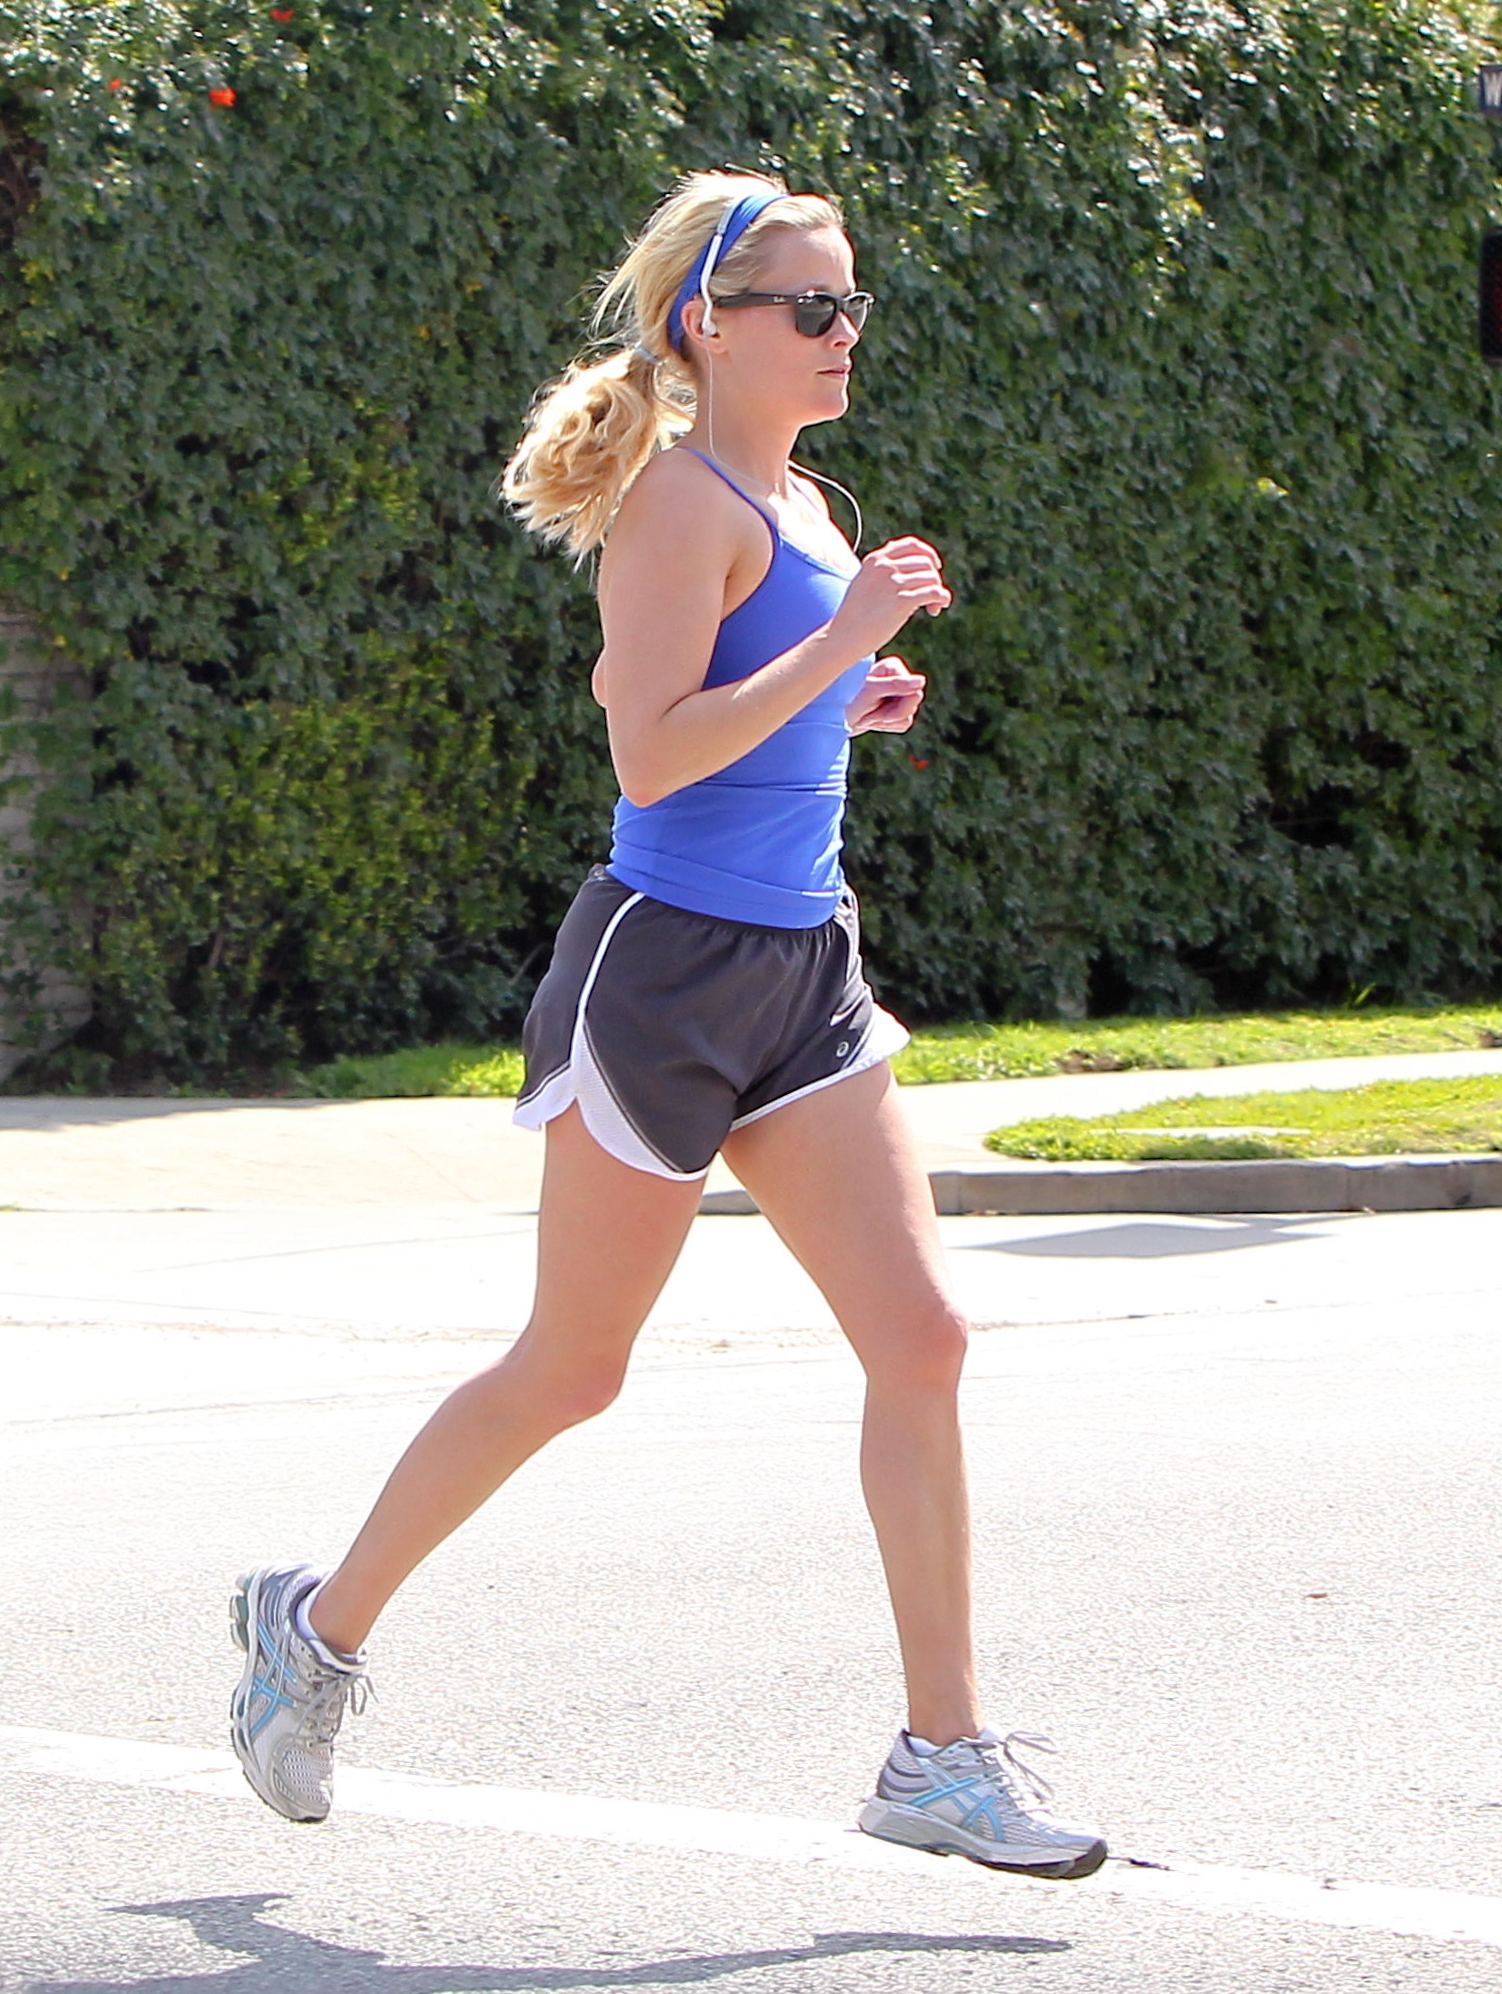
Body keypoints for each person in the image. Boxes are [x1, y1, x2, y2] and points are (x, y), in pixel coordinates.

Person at [228, 169, 1106, 1882]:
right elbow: (650, 755)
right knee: (575, 1368)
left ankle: (940, 1755)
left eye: (853, 304)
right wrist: (841, 639)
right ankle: (312, 1630)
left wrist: (853, 695)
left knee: (924, 1339)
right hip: (667, 977)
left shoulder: (809, 503)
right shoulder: (678, 505)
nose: (844, 334)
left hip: (806, 970)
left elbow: (757, 721)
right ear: (711, 322)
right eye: (812, 307)